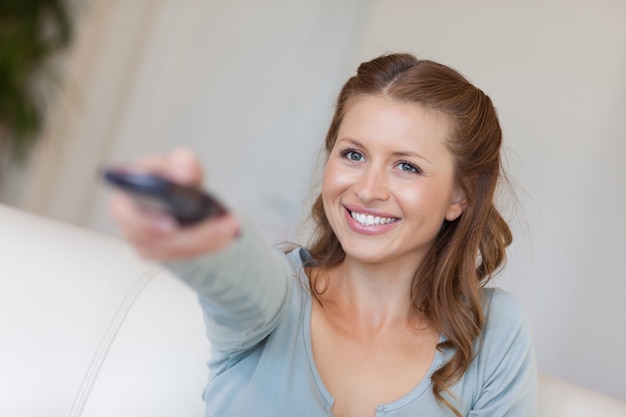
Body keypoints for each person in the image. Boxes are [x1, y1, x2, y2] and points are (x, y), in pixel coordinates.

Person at [109, 53, 538, 417]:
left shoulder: (494, 332)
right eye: (353, 154)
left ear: (459, 195)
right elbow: (238, 272)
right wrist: (200, 229)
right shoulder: (280, 295)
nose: (368, 189)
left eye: (406, 165)